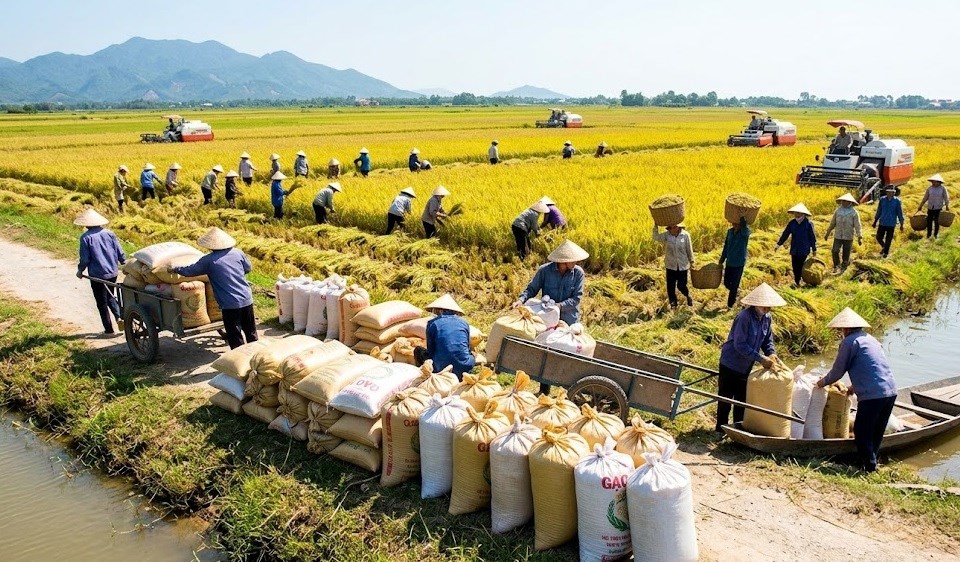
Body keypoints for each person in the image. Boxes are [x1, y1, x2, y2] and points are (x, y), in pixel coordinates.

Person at [815, 308, 897, 472]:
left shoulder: (849, 342)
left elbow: (838, 371)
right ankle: (870, 462)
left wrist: (820, 383)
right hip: (890, 390)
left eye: (840, 330)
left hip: (872, 396)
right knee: (877, 431)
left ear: (845, 329)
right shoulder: (871, 339)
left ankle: (869, 467)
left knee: (861, 430)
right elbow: (873, 368)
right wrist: (852, 388)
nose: (841, 333)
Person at [170, 227, 258, 350]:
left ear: (210, 246)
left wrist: (176, 269)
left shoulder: (209, 260)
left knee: (235, 336)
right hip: (246, 298)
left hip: (229, 303)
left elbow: (190, 271)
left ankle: (240, 362)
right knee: (251, 332)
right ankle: (257, 357)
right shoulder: (238, 253)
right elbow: (248, 268)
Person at [715, 282, 785, 432]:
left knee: (742, 400)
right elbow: (739, 344)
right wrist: (761, 359)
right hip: (731, 363)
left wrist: (771, 353)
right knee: (725, 399)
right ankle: (720, 429)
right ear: (755, 304)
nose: (766, 309)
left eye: (769, 306)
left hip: (745, 366)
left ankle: (737, 431)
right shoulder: (744, 317)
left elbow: (767, 339)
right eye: (763, 306)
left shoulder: (767, 318)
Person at [74, 208, 125, 335]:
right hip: (112, 272)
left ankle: (108, 330)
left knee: (101, 302)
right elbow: (119, 251)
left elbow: (85, 259)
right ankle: (119, 317)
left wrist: (80, 270)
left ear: (86, 224)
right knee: (110, 296)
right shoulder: (109, 233)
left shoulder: (86, 237)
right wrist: (124, 262)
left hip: (98, 274)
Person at [514, 239, 588, 325]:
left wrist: (559, 306)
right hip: (548, 317)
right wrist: (520, 300)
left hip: (569, 320)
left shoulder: (578, 273)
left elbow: (576, 298)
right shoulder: (544, 271)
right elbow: (531, 289)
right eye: (573, 260)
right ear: (563, 260)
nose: (576, 262)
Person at [413, 294, 476, 379]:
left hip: (441, 368)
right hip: (464, 367)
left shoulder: (433, 323)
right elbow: (467, 347)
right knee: (472, 354)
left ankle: (425, 376)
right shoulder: (464, 323)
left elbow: (431, 350)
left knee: (418, 350)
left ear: (439, 310)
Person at [653, 222, 695, 308]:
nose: (672, 229)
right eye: (670, 228)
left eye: (674, 227)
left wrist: (692, 261)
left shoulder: (685, 235)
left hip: (682, 265)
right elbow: (656, 237)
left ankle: (688, 295)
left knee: (681, 285)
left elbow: (689, 249)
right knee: (670, 287)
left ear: (678, 227)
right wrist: (656, 226)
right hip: (670, 265)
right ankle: (673, 305)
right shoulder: (667, 235)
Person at [776, 203, 817, 286]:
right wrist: (778, 244)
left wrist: (814, 249)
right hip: (794, 248)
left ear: (803, 214)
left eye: (798, 213)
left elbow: (812, 237)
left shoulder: (808, 224)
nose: (796, 215)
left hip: (804, 248)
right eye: (795, 213)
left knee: (801, 266)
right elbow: (785, 234)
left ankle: (798, 281)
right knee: (795, 266)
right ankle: (797, 281)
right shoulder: (792, 223)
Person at [824, 193, 863, 274]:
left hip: (848, 236)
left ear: (850, 202)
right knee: (835, 250)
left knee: (846, 253)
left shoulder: (854, 213)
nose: (844, 202)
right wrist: (827, 233)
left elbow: (857, 225)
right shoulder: (838, 211)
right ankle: (836, 266)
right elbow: (833, 223)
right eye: (843, 201)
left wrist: (859, 236)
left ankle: (844, 266)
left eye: (846, 201)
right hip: (838, 235)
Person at [718, 216, 750, 308]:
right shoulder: (730, 232)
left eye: (737, 224)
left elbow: (746, 231)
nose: (734, 225)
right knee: (727, 283)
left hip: (739, 263)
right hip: (730, 261)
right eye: (733, 223)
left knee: (734, 285)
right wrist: (722, 258)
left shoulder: (744, 233)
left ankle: (730, 305)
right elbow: (726, 245)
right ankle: (736, 292)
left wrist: (743, 221)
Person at [873, 186, 904, 258]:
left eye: (891, 192)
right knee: (878, 237)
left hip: (891, 223)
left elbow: (900, 213)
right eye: (888, 192)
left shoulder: (897, 201)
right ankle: (884, 247)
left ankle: (885, 253)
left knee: (888, 239)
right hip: (882, 222)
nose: (890, 193)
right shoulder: (882, 200)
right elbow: (879, 211)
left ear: (894, 193)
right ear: (886, 192)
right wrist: (875, 221)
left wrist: (901, 224)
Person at [918, 173, 951, 240]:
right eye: (932, 181)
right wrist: (920, 205)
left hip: (938, 208)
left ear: (939, 182)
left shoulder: (942, 188)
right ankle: (928, 234)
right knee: (929, 221)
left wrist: (947, 206)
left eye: (934, 181)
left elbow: (946, 197)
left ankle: (936, 234)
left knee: (937, 221)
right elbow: (925, 198)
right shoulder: (930, 189)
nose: (933, 183)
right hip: (930, 208)